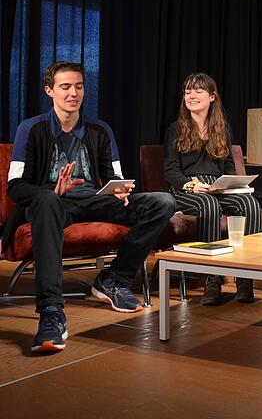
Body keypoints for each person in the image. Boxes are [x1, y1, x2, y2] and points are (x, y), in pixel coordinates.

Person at [1, 61, 176, 353]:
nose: (73, 93)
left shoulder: (100, 130)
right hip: (53, 204)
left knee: (162, 202)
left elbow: (113, 177)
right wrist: (52, 190)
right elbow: (15, 186)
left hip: (95, 200)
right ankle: (51, 313)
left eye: (79, 86)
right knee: (47, 200)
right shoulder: (30, 129)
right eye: (65, 87)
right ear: (49, 91)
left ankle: (113, 280)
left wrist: (120, 189)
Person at [164, 73, 262, 306]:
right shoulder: (175, 129)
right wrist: (192, 185)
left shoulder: (222, 130)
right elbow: (170, 171)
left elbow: (228, 167)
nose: (191, 96)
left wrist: (233, 184)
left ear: (212, 96)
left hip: (217, 187)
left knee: (250, 203)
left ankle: (244, 278)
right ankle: (212, 279)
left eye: (198, 91)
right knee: (208, 205)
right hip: (188, 188)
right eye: (188, 91)